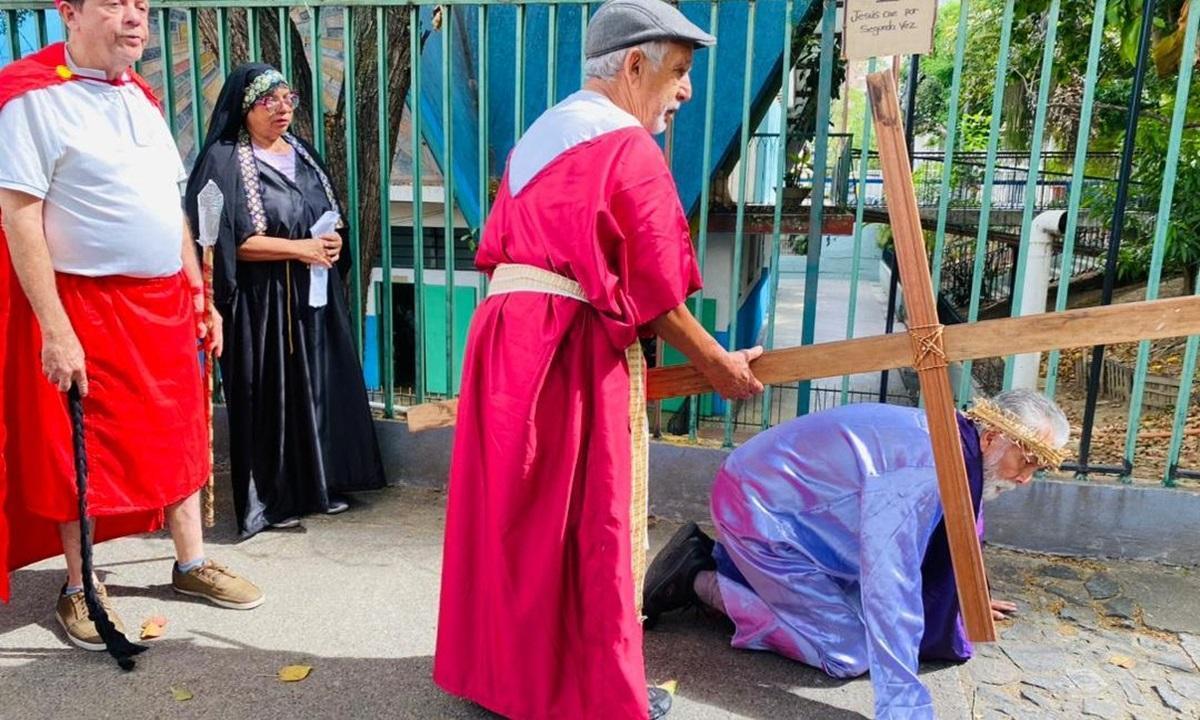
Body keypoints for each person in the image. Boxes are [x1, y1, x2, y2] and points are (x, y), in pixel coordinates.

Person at [432, 1, 764, 717]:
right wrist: (718, 364)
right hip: (565, 343)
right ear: (635, 65)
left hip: (505, 333)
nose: (686, 91)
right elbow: (656, 291)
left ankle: (504, 676)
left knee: (514, 516)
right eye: (679, 71)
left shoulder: (539, 137)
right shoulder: (625, 145)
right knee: (587, 519)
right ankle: (592, 692)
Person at [0, 0, 262, 653]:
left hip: (163, 302)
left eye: (141, 5)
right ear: (69, 12)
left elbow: (171, 208)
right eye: (115, 3)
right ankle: (80, 585)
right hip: (84, 304)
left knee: (178, 435)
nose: (134, 17)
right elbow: (19, 215)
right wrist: (54, 327)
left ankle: (191, 563)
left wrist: (198, 293)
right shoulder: (31, 100)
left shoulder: (141, 98)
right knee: (78, 451)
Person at [642, 389, 1071, 719]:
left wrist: (962, 597)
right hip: (761, 513)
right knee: (849, 653)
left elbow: (933, 543)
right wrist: (903, 705)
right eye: (1027, 461)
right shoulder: (928, 465)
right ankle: (699, 580)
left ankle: (733, 570)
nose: (1025, 479)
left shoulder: (953, 442)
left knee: (865, 619)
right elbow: (890, 582)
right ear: (992, 437)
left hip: (799, 516)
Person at [184, 63, 386, 538]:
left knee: (312, 388)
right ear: (244, 108)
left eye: (287, 98)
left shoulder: (302, 152)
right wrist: (299, 249)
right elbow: (221, 243)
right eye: (267, 100)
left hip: (311, 296)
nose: (281, 108)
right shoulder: (223, 161)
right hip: (260, 303)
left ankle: (318, 486)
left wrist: (333, 241)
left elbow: (328, 216)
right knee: (267, 395)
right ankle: (270, 502)